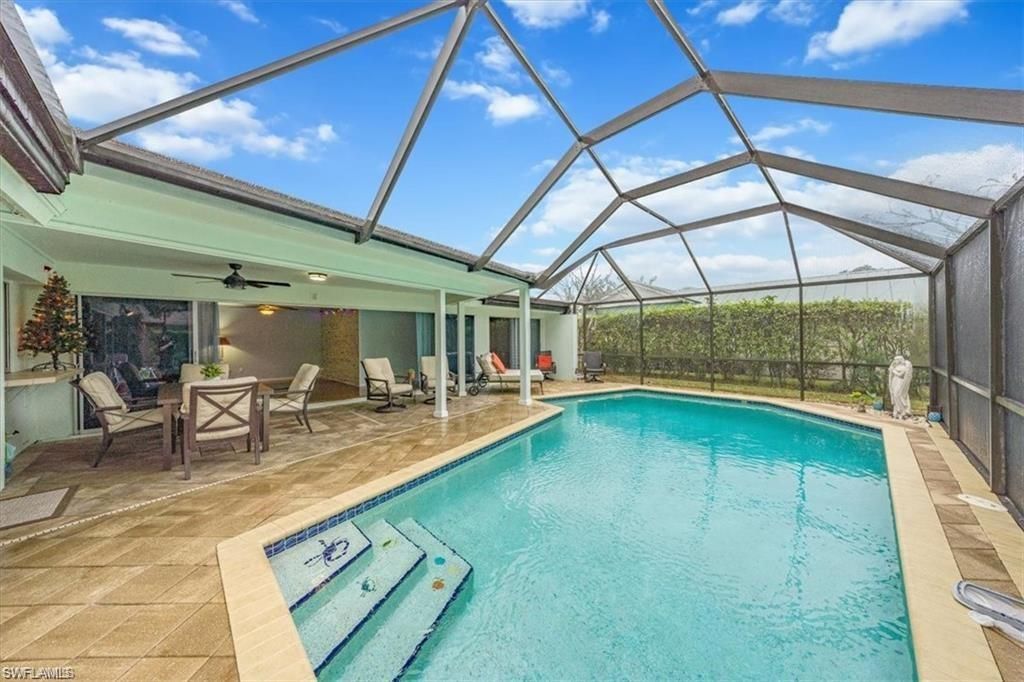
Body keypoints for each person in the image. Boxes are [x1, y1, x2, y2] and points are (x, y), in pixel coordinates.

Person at [888, 354, 913, 419]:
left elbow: (900, 375)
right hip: (895, 381)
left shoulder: (904, 367)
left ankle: (902, 411)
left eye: (896, 360)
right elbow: (892, 373)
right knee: (894, 395)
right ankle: (896, 411)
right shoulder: (896, 366)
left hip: (900, 382)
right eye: (894, 360)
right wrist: (892, 369)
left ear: (899, 360)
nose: (895, 361)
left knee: (898, 395)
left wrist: (893, 370)